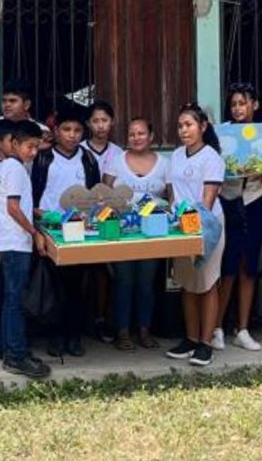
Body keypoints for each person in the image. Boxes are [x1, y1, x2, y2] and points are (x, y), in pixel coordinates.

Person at [33, 102, 102, 358]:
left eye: (77, 130)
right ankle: (55, 336)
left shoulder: (88, 159)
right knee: (55, 286)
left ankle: (74, 336)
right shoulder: (43, 158)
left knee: (78, 285)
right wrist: (39, 227)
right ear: (56, 131)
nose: (72, 135)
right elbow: (33, 195)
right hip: (51, 230)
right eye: (66, 129)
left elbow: (95, 195)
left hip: (80, 231)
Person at [163, 105, 228, 369]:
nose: (183, 130)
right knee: (187, 283)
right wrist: (174, 220)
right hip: (180, 226)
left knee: (207, 283)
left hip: (207, 225)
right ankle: (190, 339)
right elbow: (171, 193)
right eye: (180, 126)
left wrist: (196, 228)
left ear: (202, 127)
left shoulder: (212, 157)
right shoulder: (176, 155)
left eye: (189, 125)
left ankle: (206, 343)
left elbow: (207, 201)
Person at [0, 121, 51, 379]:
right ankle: (16, 355)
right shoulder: (14, 168)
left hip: (12, 242)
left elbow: (15, 205)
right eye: (29, 146)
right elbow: (12, 208)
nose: (33, 152)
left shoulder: (11, 167)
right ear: (14, 143)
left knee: (11, 301)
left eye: (37, 147)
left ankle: (12, 351)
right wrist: (35, 233)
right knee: (15, 302)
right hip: (15, 243)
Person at [212, 84, 262, 353]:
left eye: (242, 103)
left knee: (249, 265)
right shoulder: (221, 133)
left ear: (254, 105)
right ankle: (216, 327)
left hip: (256, 201)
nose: (237, 108)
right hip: (229, 201)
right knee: (227, 266)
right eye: (234, 104)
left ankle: (242, 329)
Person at [109, 117, 170, 352]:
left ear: (151, 136)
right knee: (124, 281)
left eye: (141, 133)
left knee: (146, 282)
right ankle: (122, 332)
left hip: (152, 231)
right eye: (132, 134)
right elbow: (104, 195)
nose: (136, 138)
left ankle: (145, 330)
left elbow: (171, 197)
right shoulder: (116, 161)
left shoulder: (164, 164)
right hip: (122, 231)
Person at [85, 102, 127, 182]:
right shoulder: (80, 150)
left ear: (112, 121)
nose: (100, 126)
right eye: (95, 121)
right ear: (88, 123)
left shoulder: (118, 152)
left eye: (104, 120)